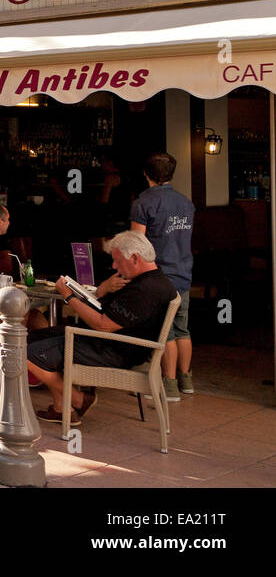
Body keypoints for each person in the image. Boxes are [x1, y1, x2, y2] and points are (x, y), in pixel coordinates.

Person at [27, 230, 178, 424]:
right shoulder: (153, 280)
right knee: (34, 338)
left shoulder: (144, 290)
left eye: (117, 261)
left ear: (134, 258)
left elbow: (102, 325)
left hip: (115, 351)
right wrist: (103, 289)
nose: (114, 266)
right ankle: (60, 408)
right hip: (116, 344)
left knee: (28, 352)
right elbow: (108, 312)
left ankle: (79, 400)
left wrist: (69, 296)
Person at [130, 152, 196, 401]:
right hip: (183, 272)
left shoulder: (143, 203)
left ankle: (168, 386)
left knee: (164, 332)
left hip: (159, 278)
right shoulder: (185, 202)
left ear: (146, 174)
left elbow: (136, 245)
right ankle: (185, 380)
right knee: (182, 329)